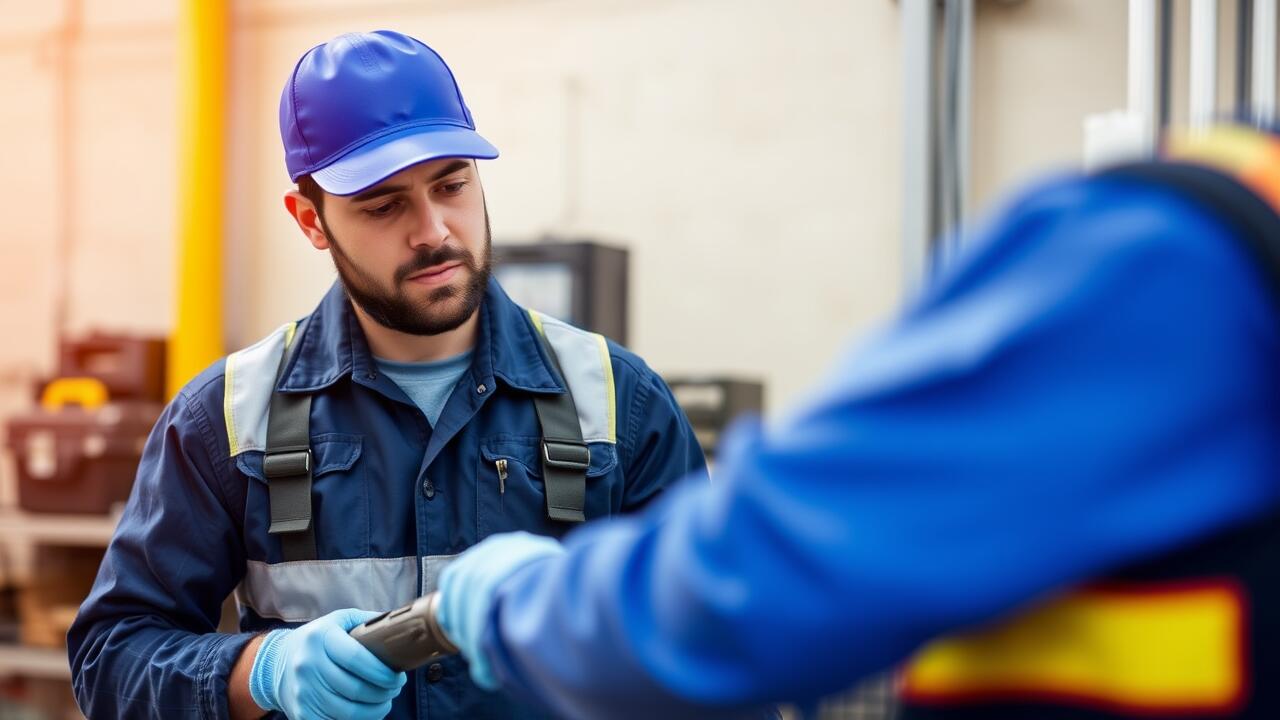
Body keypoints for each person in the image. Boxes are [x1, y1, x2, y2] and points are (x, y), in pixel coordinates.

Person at [436, 122, 1280, 720]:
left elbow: (753, 584)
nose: (432, 231)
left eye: (452, 187)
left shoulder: (1172, 254)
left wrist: (519, 604)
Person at [67, 30, 706, 720]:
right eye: (383, 205)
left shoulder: (618, 404)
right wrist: (259, 670)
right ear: (311, 220)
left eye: (452, 184)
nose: (433, 229)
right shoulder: (225, 419)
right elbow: (110, 658)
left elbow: (713, 655)